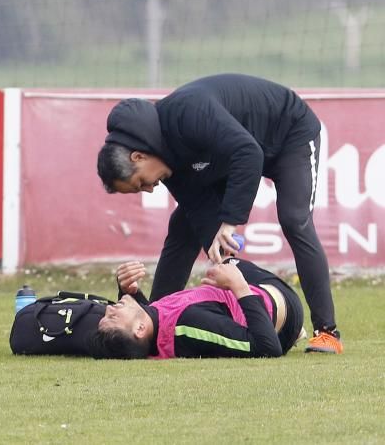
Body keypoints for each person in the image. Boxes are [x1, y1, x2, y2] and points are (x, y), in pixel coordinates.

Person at [96, 73, 343, 354]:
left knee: (294, 219)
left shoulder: (188, 112)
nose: (150, 189)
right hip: (238, 151)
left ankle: (327, 333)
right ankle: (156, 316)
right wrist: (219, 251)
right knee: (184, 226)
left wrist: (229, 223)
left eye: (141, 183)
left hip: (288, 133)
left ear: (138, 157)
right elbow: (199, 208)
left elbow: (248, 153)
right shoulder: (162, 159)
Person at [90, 258, 304, 359]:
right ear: (139, 329)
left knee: (222, 251)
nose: (109, 309)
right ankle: (302, 331)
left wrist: (128, 289)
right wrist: (238, 285)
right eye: (114, 317)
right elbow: (267, 348)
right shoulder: (189, 324)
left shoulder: (153, 322)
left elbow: (149, 327)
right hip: (286, 308)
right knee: (228, 258)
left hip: (255, 292)